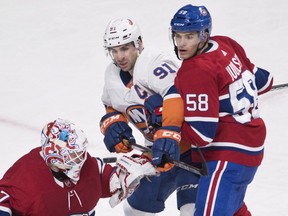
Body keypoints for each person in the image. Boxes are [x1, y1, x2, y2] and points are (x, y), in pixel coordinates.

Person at [163, 4, 274, 216]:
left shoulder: (195, 70)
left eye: (189, 36)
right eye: (177, 36)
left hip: (228, 154)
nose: (181, 43)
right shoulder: (225, 43)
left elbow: (202, 135)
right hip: (252, 146)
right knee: (233, 209)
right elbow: (265, 81)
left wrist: (170, 126)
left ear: (204, 35)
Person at [100, 17, 199, 215]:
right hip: (157, 153)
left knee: (193, 212)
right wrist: (114, 125)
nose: (120, 56)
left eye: (125, 48)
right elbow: (111, 105)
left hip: (194, 151)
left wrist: (167, 125)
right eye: (114, 50)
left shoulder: (156, 62)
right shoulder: (111, 74)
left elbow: (176, 94)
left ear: (139, 43)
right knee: (135, 210)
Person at [0, 118, 158, 215]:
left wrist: (138, 168)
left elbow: (111, 178)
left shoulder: (88, 166)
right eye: (73, 156)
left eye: (80, 153)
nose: (80, 160)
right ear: (55, 156)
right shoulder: (26, 177)